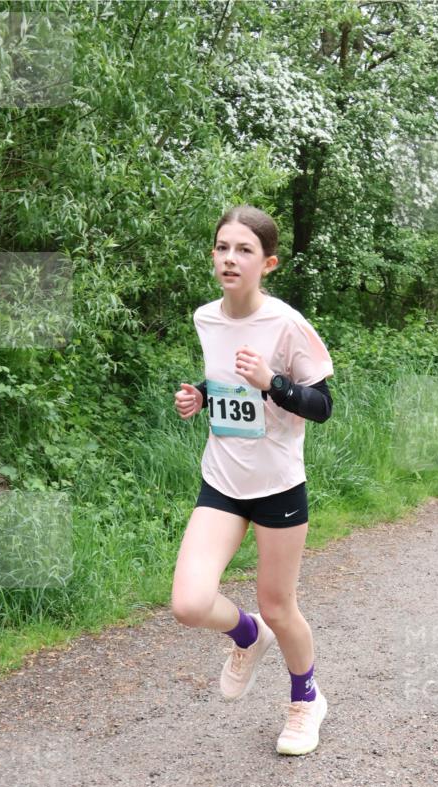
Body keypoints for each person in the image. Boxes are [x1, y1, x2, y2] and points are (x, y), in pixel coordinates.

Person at [171, 205, 334, 756]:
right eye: (222, 248)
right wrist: (199, 394)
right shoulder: (205, 318)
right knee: (190, 603)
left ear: (269, 263)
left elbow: (322, 404)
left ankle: (305, 700)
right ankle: (247, 637)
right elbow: (224, 382)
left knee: (279, 605)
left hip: (278, 486)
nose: (229, 259)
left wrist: (273, 384)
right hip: (221, 480)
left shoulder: (287, 323)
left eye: (243, 250)